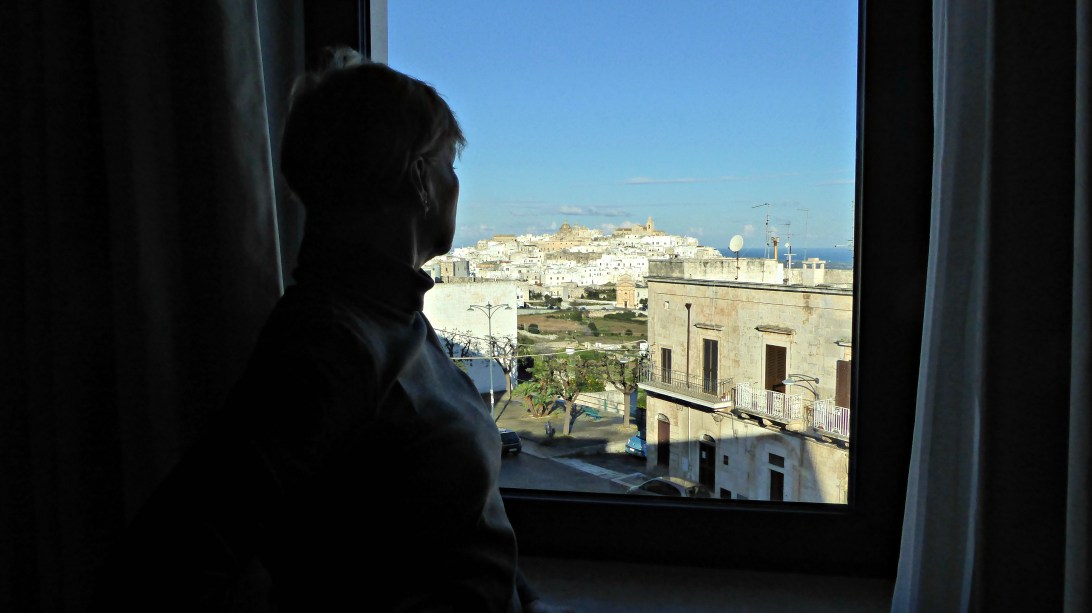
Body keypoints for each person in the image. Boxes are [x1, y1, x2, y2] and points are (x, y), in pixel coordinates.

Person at [95, 47, 572, 613]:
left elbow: (462, 531)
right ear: (419, 178)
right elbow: (176, 551)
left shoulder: (394, 317)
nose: (456, 184)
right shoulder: (329, 343)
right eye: (450, 165)